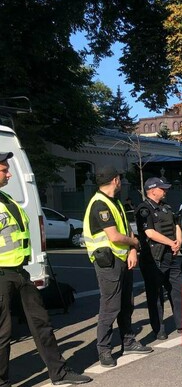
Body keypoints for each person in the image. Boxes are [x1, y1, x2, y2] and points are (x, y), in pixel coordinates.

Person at [0, 152, 92, 384]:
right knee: (2, 332)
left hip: (20, 272)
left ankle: (59, 373)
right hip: (1, 274)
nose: (9, 174)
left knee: (41, 322)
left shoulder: (7, 199)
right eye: (4, 169)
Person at [83, 165, 152, 368]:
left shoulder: (115, 202)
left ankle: (128, 342)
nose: (120, 181)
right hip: (108, 262)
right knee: (110, 306)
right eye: (120, 178)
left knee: (126, 304)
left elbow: (126, 229)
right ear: (115, 180)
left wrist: (132, 250)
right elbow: (114, 236)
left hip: (122, 259)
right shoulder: (100, 205)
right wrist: (135, 243)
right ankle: (104, 350)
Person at [136, 178, 182, 339]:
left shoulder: (166, 207)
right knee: (156, 295)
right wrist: (170, 242)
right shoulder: (144, 209)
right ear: (152, 190)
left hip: (170, 255)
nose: (165, 191)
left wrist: (178, 241)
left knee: (179, 289)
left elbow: (176, 225)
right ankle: (159, 330)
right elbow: (150, 233)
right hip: (153, 257)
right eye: (162, 188)